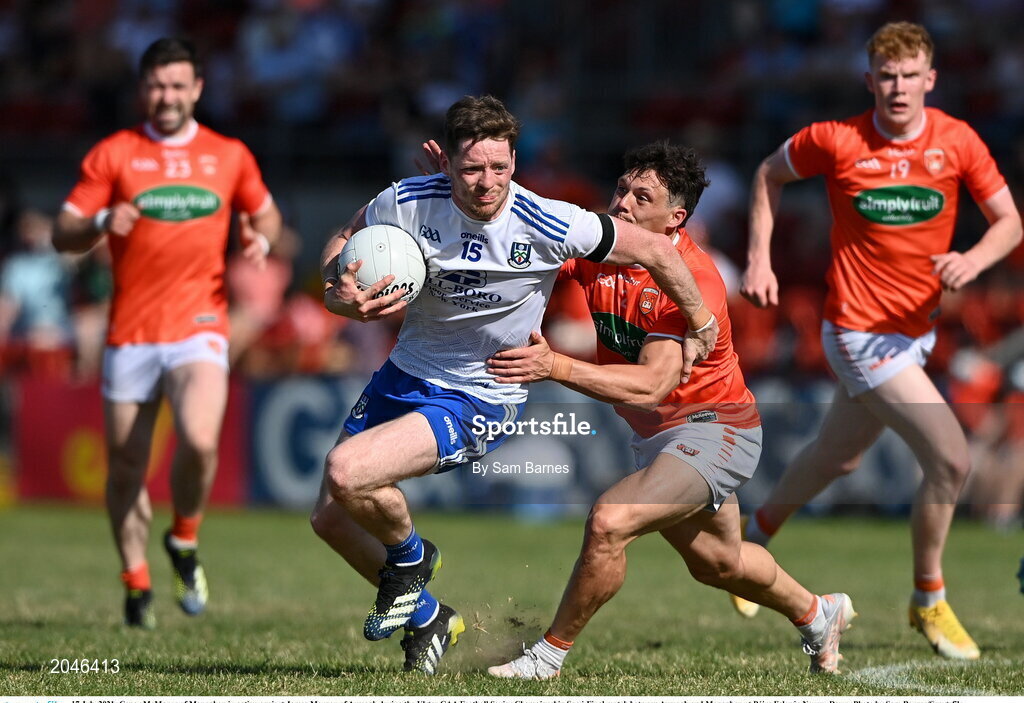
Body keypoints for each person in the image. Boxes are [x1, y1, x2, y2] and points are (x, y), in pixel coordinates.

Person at [309, 96, 719, 674]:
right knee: (330, 517)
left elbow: (655, 249)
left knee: (348, 472)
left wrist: (702, 322)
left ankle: (410, 558)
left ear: (515, 163)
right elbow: (345, 238)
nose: (487, 183)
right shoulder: (406, 201)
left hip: (483, 392)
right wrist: (338, 292)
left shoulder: (549, 220)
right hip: (405, 373)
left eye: (500, 168)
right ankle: (428, 616)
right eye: (472, 168)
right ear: (447, 163)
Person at [483, 141, 852, 679]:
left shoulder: (689, 280)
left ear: (675, 217)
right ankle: (820, 613)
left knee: (610, 521)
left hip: (715, 430)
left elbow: (652, 384)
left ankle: (547, 657)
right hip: (662, 438)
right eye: (621, 189)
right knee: (720, 564)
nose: (622, 205)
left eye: (642, 197)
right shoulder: (597, 246)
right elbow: (522, 257)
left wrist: (554, 366)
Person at [736, 22, 1022, 660]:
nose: (898, 87)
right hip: (858, 331)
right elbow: (766, 174)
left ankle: (752, 540)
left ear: (930, 80)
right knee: (951, 460)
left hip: (917, 332)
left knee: (838, 457)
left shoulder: (958, 140)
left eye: (909, 75)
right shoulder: (836, 141)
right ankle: (929, 601)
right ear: (870, 81)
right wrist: (760, 259)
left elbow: (1009, 222)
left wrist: (972, 261)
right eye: (885, 76)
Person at [52, 38, 282, 628]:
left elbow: (267, 211)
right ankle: (136, 584)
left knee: (201, 440)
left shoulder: (229, 154)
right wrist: (103, 220)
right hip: (130, 331)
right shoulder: (115, 153)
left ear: (198, 89)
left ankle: (183, 537)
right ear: (142, 89)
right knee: (126, 469)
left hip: (199, 323)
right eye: (157, 85)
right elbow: (63, 231)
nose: (168, 96)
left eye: (178, 85)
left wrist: (259, 233)